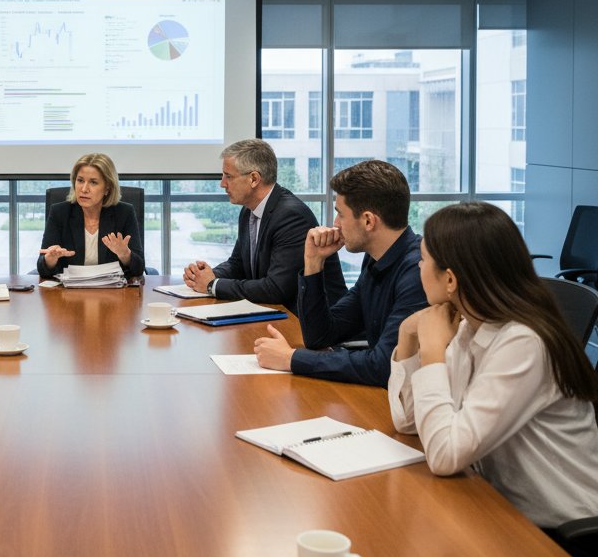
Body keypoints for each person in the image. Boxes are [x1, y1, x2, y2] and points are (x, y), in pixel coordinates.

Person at [389, 202, 598, 533]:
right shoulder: (468, 325)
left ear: (450, 279)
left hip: (563, 537)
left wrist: (431, 353)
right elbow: (410, 423)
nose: (418, 265)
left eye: (424, 259)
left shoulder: (523, 343)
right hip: (499, 507)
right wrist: (408, 337)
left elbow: (444, 455)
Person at [253, 159, 427, 386]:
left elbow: (385, 365)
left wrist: (291, 359)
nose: (335, 224)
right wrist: (313, 263)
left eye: (341, 214)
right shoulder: (376, 260)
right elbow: (320, 336)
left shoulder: (417, 271)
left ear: (367, 221)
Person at [182, 138, 345, 312]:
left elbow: (276, 289)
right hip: (278, 313)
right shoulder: (248, 211)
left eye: (228, 176)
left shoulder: (291, 216)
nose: (222, 183)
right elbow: (238, 264)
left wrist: (213, 285)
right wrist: (206, 275)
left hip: (315, 322)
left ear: (254, 179)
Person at [37, 152, 144, 279]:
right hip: (68, 293)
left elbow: (139, 269)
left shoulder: (124, 213)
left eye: (93, 182)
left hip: (111, 293)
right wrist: (50, 259)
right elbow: (42, 268)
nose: (84, 189)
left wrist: (125, 254)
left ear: (107, 188)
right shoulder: (60, 212)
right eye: (80, 180)